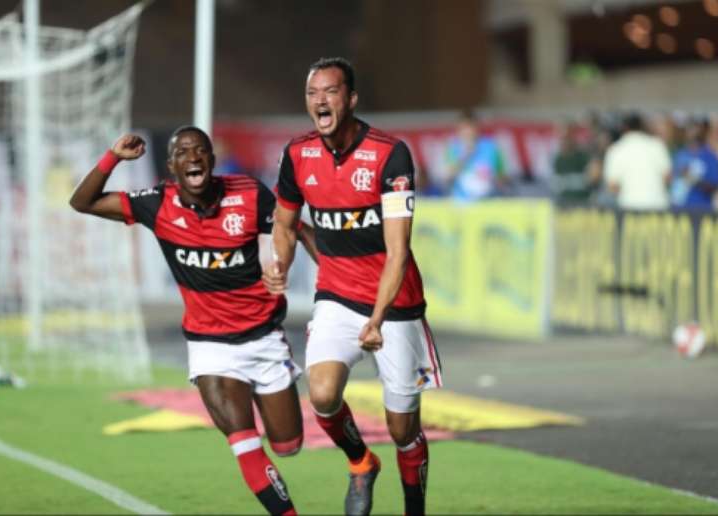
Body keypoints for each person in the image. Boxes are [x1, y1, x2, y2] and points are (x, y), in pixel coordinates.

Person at [69, 127, 316, 516]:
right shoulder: (156, 202)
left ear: (212, 162)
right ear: (172, 167)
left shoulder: (249, 193)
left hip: (264, 337)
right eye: (183, 152)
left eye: (200, 151)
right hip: (210, 347)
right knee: (244, 441)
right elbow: (82, 202)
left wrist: (294, 268)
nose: (193, 157)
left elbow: (292, 229)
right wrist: (112, 157)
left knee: (289, 445)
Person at [263, 57, 442, 516]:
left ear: (352, 98)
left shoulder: (389, 153)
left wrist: (378, 318)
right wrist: (278, 260)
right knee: (321, 395)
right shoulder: (297, 154)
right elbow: (284, 223)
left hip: (395, 302)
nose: (320, 101)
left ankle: (414, 509)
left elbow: (398, 251)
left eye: (331, 91)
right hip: (337, 295)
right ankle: (361, 462)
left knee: (403, 430)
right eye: (312, 93)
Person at [604, 112, 672, 210]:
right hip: (658, 205)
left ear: (624, 128)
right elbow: (667, 178)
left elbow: (612, 186)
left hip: (629, 207)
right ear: (642, 127)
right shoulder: (657, 145)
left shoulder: (615, 149)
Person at [443, 109, 508, 201]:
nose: (468, 131)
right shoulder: (452, 148)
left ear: (477, 127)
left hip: (488, 200)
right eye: (464, 128)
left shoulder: (491, 147)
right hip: (461, 202)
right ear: (459, 128)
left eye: (471, 127)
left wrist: (493, 178)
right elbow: (447, 177)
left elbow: (502, 176)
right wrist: (465, 156)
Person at [670, 117, 718, 210]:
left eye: (695, 126)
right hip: (677, 210)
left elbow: (715, 186)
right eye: (689, 127)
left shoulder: (710, 157)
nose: (692, 131)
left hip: (700, 211)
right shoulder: (680, 153)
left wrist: (693, 178)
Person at [552, 122, 594, 204]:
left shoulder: (584, 156)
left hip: (583, 204)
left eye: (567, 137)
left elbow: (593, 181)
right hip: (563, 204)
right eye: (561, 137)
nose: (564, 141)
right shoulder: (556, 159)